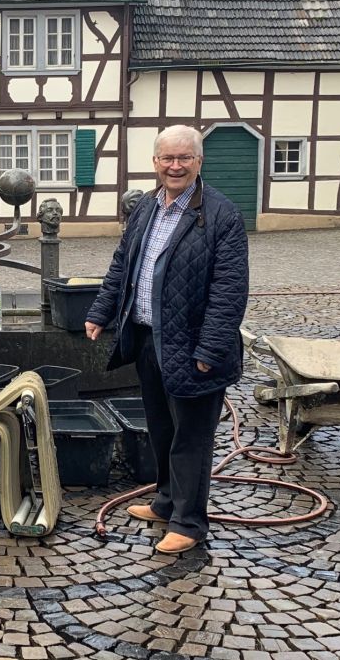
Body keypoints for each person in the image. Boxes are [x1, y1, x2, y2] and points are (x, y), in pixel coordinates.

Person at [85, 125, 249, 554]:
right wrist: (101, 312)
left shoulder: (221, 214)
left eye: (185, 158)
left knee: (191, 437)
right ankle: (165, 500)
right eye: (167, 159)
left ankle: (189, 522)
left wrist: (209, 351)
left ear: (199, 161)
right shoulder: (145, 207)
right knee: (160, 428)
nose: (175, 166)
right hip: (148, 339)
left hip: (194, 347)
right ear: (155, 162)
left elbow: (229, 291)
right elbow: (123, 263)